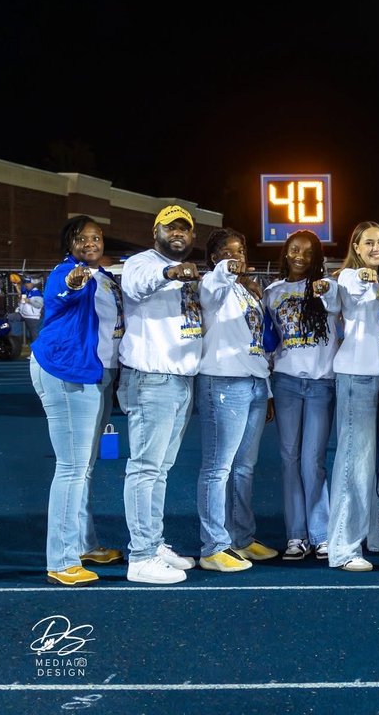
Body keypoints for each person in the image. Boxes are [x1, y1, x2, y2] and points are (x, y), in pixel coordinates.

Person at [29, 216, 124, 585]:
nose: (90, 242)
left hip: (95, 374)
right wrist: (73, 281)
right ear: (69, 244)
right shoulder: (67, 271)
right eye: (81, 238)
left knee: (83, 466)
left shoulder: (105, 277)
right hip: (67, 370)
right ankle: (61, 559)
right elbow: (62, 291)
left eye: (96, 237)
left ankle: (84, 544)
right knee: (71, 467)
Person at [119, 205, 204, 584]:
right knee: (145, 468)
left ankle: (152, 544)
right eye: (171, 228)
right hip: (152, 378)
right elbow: (137, 284)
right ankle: (140, 557)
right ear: (156, 232)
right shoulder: (142, 262)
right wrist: (170, 271)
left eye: (184, 230)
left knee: (161, 471)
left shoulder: (190, 275)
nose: (178, 235)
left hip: (180, 380)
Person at [196, 227, 276, 573]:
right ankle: (214, 546)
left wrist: (268, 391)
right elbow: (212, 288)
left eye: (240, 251)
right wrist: (225, 271)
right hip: (224, 381)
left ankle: (241, 538)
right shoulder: (212, 286)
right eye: (228, 252)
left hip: (255, 383)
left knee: (244, 468)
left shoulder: (246, 292)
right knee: (218, 467)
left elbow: (256, 345)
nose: (237, 258)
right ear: (214, 259)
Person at [264, 230, 340, 561]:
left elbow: (337, 304)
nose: (300, 257)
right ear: (285, 252)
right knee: (289, 459)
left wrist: (327, 289)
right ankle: (296, 536)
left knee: (313, 461)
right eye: (295, 250)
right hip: (286, 383)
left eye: (308, 253)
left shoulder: (327, 288)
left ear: (316, 259)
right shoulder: (272, 292)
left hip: (322, 384)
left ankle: (321, 533)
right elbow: (265, 344)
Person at [326, 222, 379, 572]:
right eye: (369, 242)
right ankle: (343, 546)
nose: (376, 247)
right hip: (358, 378)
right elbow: (352, 291)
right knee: (355, 462)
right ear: (356, 245)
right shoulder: (352, 277)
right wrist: (365, 280)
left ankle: (376, 535)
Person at [18, 279, 43, 350]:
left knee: (34, 335)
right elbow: (22, 302)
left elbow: (39, 305)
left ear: (32, 284)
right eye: (25, 283)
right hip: (24, 315)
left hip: (33, 317)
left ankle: (36, 354)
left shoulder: (36, 292)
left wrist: (29, 300)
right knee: (11, 317)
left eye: (28, 283)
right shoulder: (26, 292)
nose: (26, 284)